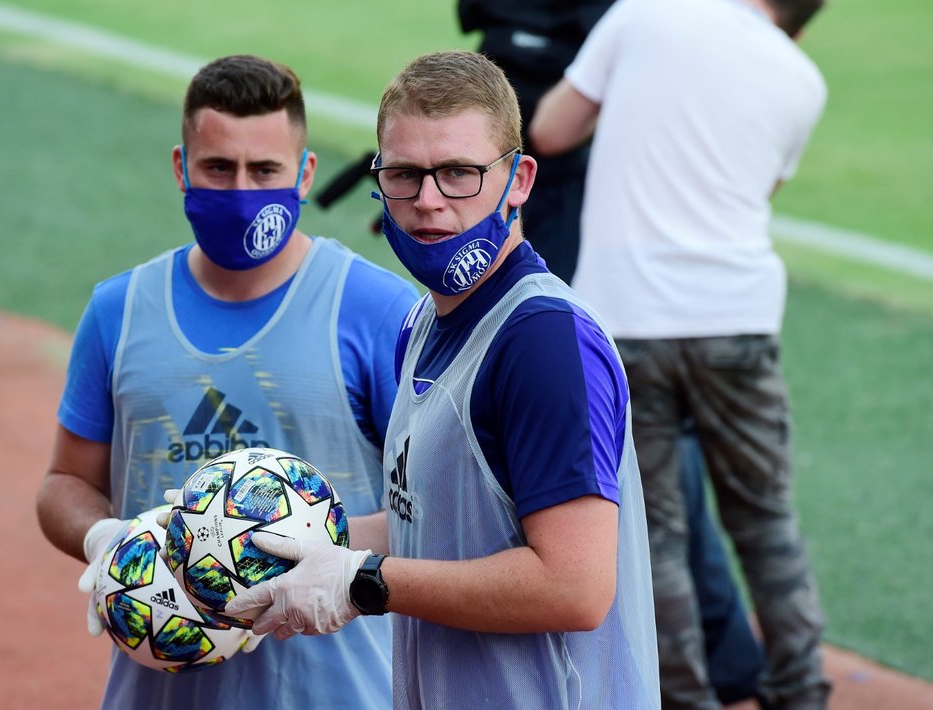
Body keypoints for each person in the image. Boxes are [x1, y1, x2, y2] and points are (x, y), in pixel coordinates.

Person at [223, 50, 661, 709]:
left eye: (459, 173)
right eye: (404, 174)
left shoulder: (541, 342)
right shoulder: (421, 327)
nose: (429, 202)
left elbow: (575, 587)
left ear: (519, 180)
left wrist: (363, 581)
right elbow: (436, 524)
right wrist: (291, 536)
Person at [35, 54, 418, 709]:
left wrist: (296, 546)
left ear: (304, 174)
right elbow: (65, 482)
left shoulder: (380, 310)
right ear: (182, 167)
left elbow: (435, 505)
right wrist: (105, 539)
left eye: (264, 169)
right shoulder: (118, 310)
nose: (242, 191)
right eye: (219, 167)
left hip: (342, 692)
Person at [462, 1, 767, 703]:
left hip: (596, 239)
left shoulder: (633, 20)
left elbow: (551, 125)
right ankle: (732, 658)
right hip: (671, 266)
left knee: (633, 460)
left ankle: (714, 659)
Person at [530, 0, 831, 707]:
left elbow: (550, 128)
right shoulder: (802, 78)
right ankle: (802, 692)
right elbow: (761, 187)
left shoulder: (642, 15)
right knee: (766, 522)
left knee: (652, 532)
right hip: (738, 319)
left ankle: (684, 697)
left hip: (626, 316)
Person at [457, 0, 612, 283]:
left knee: (539, 294)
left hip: (507, 175)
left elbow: (550, 135)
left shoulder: (615, 15)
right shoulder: (613, 13)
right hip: (486, 175)